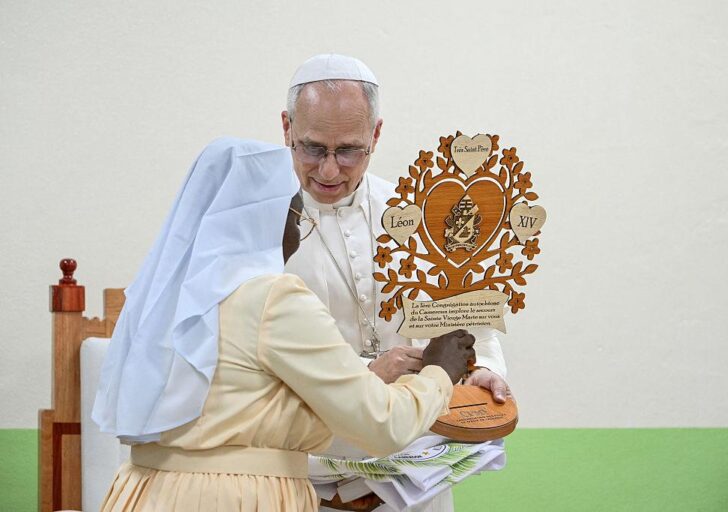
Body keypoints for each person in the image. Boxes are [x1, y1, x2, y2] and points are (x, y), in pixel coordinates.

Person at [91, 137, 475, 511]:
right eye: (299, 216)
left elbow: (249, 404)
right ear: (269, 218)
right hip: (236, 498)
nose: (300, 233)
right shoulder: (271, 296)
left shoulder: (164, 300)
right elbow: (384, 424)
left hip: (144, 492)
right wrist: (440, 370)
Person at [282, 54, 511, 512]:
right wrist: (363, 375)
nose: (329, 170)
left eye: (349, 150)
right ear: (287, 128)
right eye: (313, 148)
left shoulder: (423, 217)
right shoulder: (253, 231)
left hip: (414, 482)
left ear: (376, 134)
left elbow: (471, 331)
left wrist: (479, 371)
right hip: (304, 483)